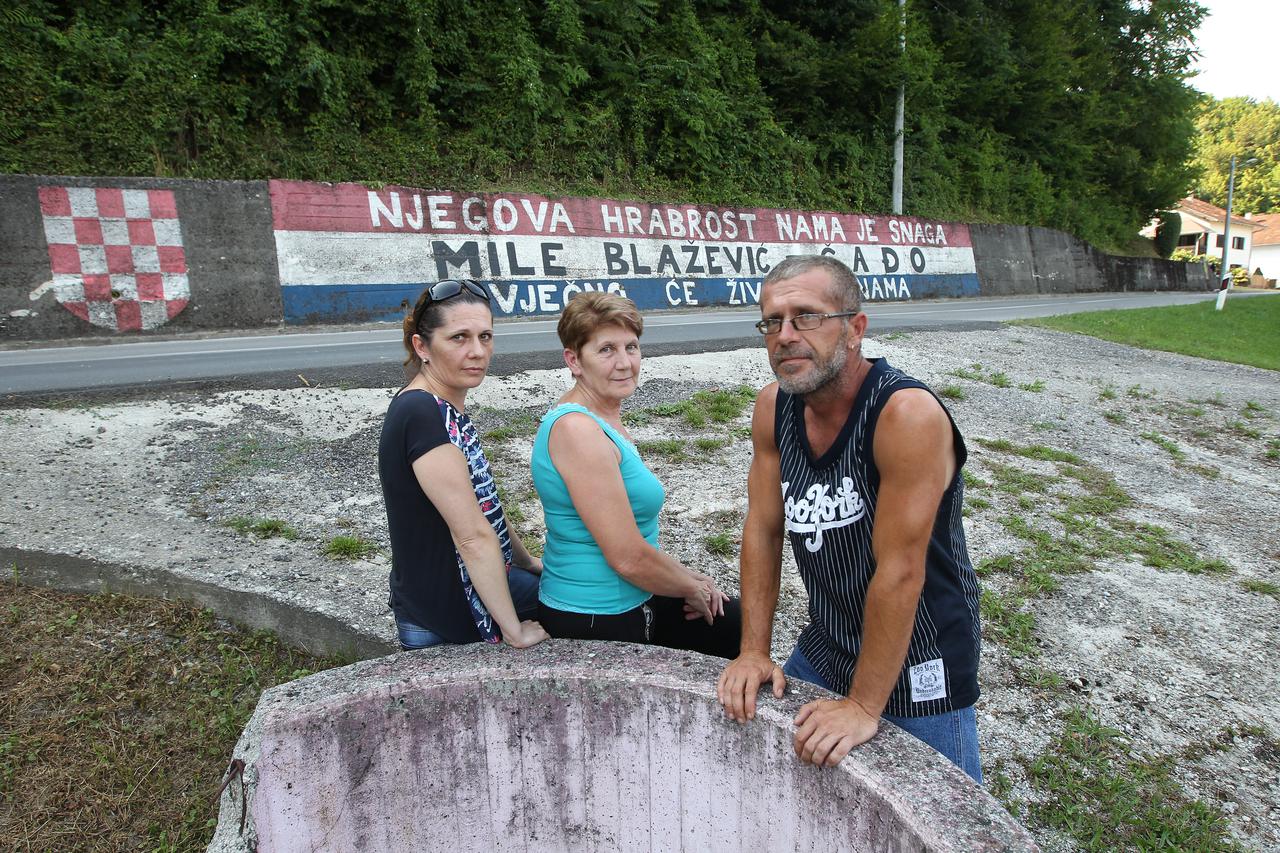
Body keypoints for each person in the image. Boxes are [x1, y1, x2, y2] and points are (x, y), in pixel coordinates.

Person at [716, 255, 983, 781]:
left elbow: (901, 571)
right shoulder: (773, 407)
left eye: (807, 316)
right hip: (828, 641)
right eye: (772, 321)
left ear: (855, 328)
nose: (786, 335)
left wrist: (863, 707)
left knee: (940, 819)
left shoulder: (904, 415)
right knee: (774, 777)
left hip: (920, 656)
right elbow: (764, 531)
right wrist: (752, 651)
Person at [530, 291, 741, 658]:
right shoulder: (576, 430)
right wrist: (690, 588)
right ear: (574, 360)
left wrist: (694, 580)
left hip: (634, 597)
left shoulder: (604, 415)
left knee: (737, 623)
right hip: (595, 617)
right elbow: (627, 558)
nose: (625, 363)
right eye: (607, 350)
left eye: (632, 347)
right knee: (732, 629)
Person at [378, 278, 548, 651]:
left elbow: (484, 510)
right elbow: (471, 535)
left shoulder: (440, 406)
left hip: (456, 588)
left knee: (567, 587)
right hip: (447, 609)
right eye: (459, 338)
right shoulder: (421, 412)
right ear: (422, 346)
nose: (477, 351)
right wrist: (514, 632)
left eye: (485, 336)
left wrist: (528, 561)